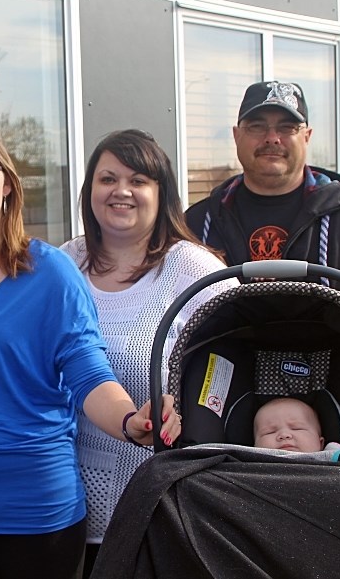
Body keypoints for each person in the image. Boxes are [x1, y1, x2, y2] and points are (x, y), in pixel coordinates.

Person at [0, 123, 182, 579]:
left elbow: (90, 375)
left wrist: (132, 422)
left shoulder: (51, 273)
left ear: (7, 185)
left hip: (36, 500)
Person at [60, 129, 238, 577]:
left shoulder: (193, 270)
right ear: (90, 191)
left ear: (162, 193)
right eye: (107, 178)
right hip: (59, 506)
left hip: (156, 509)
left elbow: (234, 359)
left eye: (138, 180)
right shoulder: (62, 264)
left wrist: (195, 411)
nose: (121, 191)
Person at [185, 81, 340, 353]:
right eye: (257, 126)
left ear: (307, 136)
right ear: (237, 135)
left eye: (287, 127)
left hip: (335, 383)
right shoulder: (197, 223)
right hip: (227, 385)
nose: (272, 138)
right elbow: (172, 317)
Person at [253, 397, 340, 453]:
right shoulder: (248, 467)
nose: (284, 435)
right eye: (269, 432)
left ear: (320, 443)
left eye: (297, 428)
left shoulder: (329, 457)